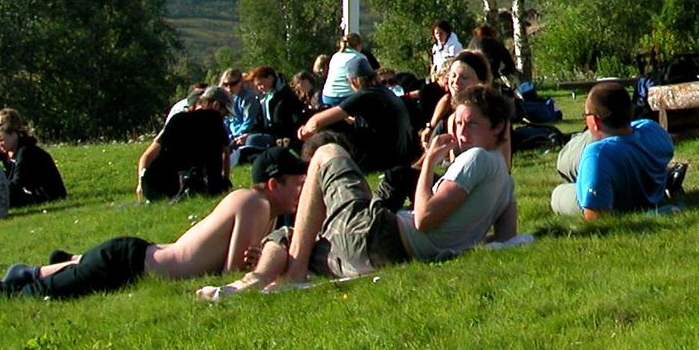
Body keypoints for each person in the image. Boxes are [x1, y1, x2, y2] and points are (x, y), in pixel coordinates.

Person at [0, 147, 312, 320]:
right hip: (126, 265)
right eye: (298, 184)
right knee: (5, 296)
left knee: (21, 287)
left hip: (133, 258)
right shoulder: (255, 204)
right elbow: (231, 271)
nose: (302, 193)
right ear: (273, 183)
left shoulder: (255, 206)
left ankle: (30, 272)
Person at [208, 86, 518, 295]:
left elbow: (424, 219)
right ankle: (250, 284)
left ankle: (291, 275)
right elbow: (505, 237)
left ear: (498, 127)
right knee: (289, 236)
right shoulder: (506, 181)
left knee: (325, 152)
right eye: (458, 123)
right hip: (380, 255)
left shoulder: (475, 158)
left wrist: (429, 163)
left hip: (379, 234)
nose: (461, 133)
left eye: (471, 124)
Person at [551, 81, 675, 220]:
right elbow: (635, 126)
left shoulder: (598, 154)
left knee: (558, 193)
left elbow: (596, 217)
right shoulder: (654, 131)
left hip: (615, 203)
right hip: (650, 192)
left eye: (585, 115)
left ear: (595, 121)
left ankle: (582, 182)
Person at [296, 53, 417, 175]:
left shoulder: (364, 96)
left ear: (353, 81)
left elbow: (317, 121)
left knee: (331, 124)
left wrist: (304, 132)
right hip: (401, 155)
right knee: (340, 120)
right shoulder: (385, 92)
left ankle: (315, 168)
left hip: (383, 159)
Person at [137, 87, 232, 200]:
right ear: (216, 105)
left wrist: (142, 182)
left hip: (156, 183)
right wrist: (223, 182)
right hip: (182, 184)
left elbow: (148, 155)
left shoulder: (176, 120)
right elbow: (224, 156)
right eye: (224, 114)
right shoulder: (215, 122)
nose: (224, 118)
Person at [0, 109, 67, 208]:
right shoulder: (8, 149)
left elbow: (17, 183)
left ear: (13, 133)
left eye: (0, 125)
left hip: (44, 194)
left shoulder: (26, 152)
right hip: (29, 190)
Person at [320, 33, 371, 105]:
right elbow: (366, 80)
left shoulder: (335, 56)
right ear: (359, 45)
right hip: (347, 97)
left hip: (328, 96)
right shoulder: (359, 58)